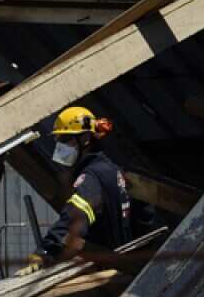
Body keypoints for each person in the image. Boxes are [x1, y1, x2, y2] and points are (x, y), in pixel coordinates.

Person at [16, 106, 133, 276]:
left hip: (107, 272)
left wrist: (44, 251)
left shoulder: (92, 176)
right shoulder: (112, 169)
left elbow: (75, 216)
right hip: (121, 266)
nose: (60, 147)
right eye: (58, 141)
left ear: (85, 138)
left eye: (65, 140)